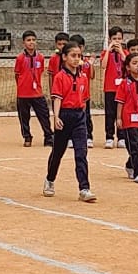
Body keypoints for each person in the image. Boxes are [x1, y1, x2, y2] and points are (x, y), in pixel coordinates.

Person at [45, 42, 96, 203]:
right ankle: (50, 179)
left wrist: (84, 117)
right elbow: (57, 98)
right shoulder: (60, 77)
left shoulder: (83, 77)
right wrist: (56, 117)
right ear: (64, 57)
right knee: (58, 152)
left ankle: (84, 188)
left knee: (81, 153)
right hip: (64, 116)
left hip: (79, 117)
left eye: (79, 56)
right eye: (73, 55)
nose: (76, 59)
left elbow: (84, 99)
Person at [115, 52, 138, 184]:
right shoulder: (124, 84)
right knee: (134, 146)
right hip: (128, 119)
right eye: (134, 63)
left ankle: (129, 164)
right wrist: (118, 118)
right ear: (128, 67)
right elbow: (120, 102)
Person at [13, 31, 50, 147]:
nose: (31, 42)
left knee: (44, 115)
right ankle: (27, 137)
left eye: (33, 40)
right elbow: (17, 74)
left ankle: (48, 136)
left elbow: (40, 72)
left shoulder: (40, 57)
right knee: (24, 117)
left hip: (37, 93)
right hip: (23, 94)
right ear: (23, 43)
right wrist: (22, 86)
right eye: (28, 40)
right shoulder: (20, 58)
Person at [98, 27, 127, 149]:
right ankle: (109, 137)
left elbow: (128, 63)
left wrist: (121, 52)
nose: (117, 41)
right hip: (110, 88)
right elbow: (103, 65)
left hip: (123, 89)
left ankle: (122, 137)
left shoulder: (125, 53)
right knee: (110, 114)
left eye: (119, 38)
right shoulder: (105, 53)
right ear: (110, 39)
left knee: (122, 113)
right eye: (114, 38)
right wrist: (109, 50)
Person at [69, 34, 96, 148]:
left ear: (83, 47)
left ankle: (88, 136)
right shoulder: (69, 63)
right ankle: (71, 138)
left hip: (84, 96)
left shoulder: (86, 62)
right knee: (71, 117)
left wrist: (91, 64)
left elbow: (92, 76)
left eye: (79, 47)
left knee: (86, 116)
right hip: (71, 97)